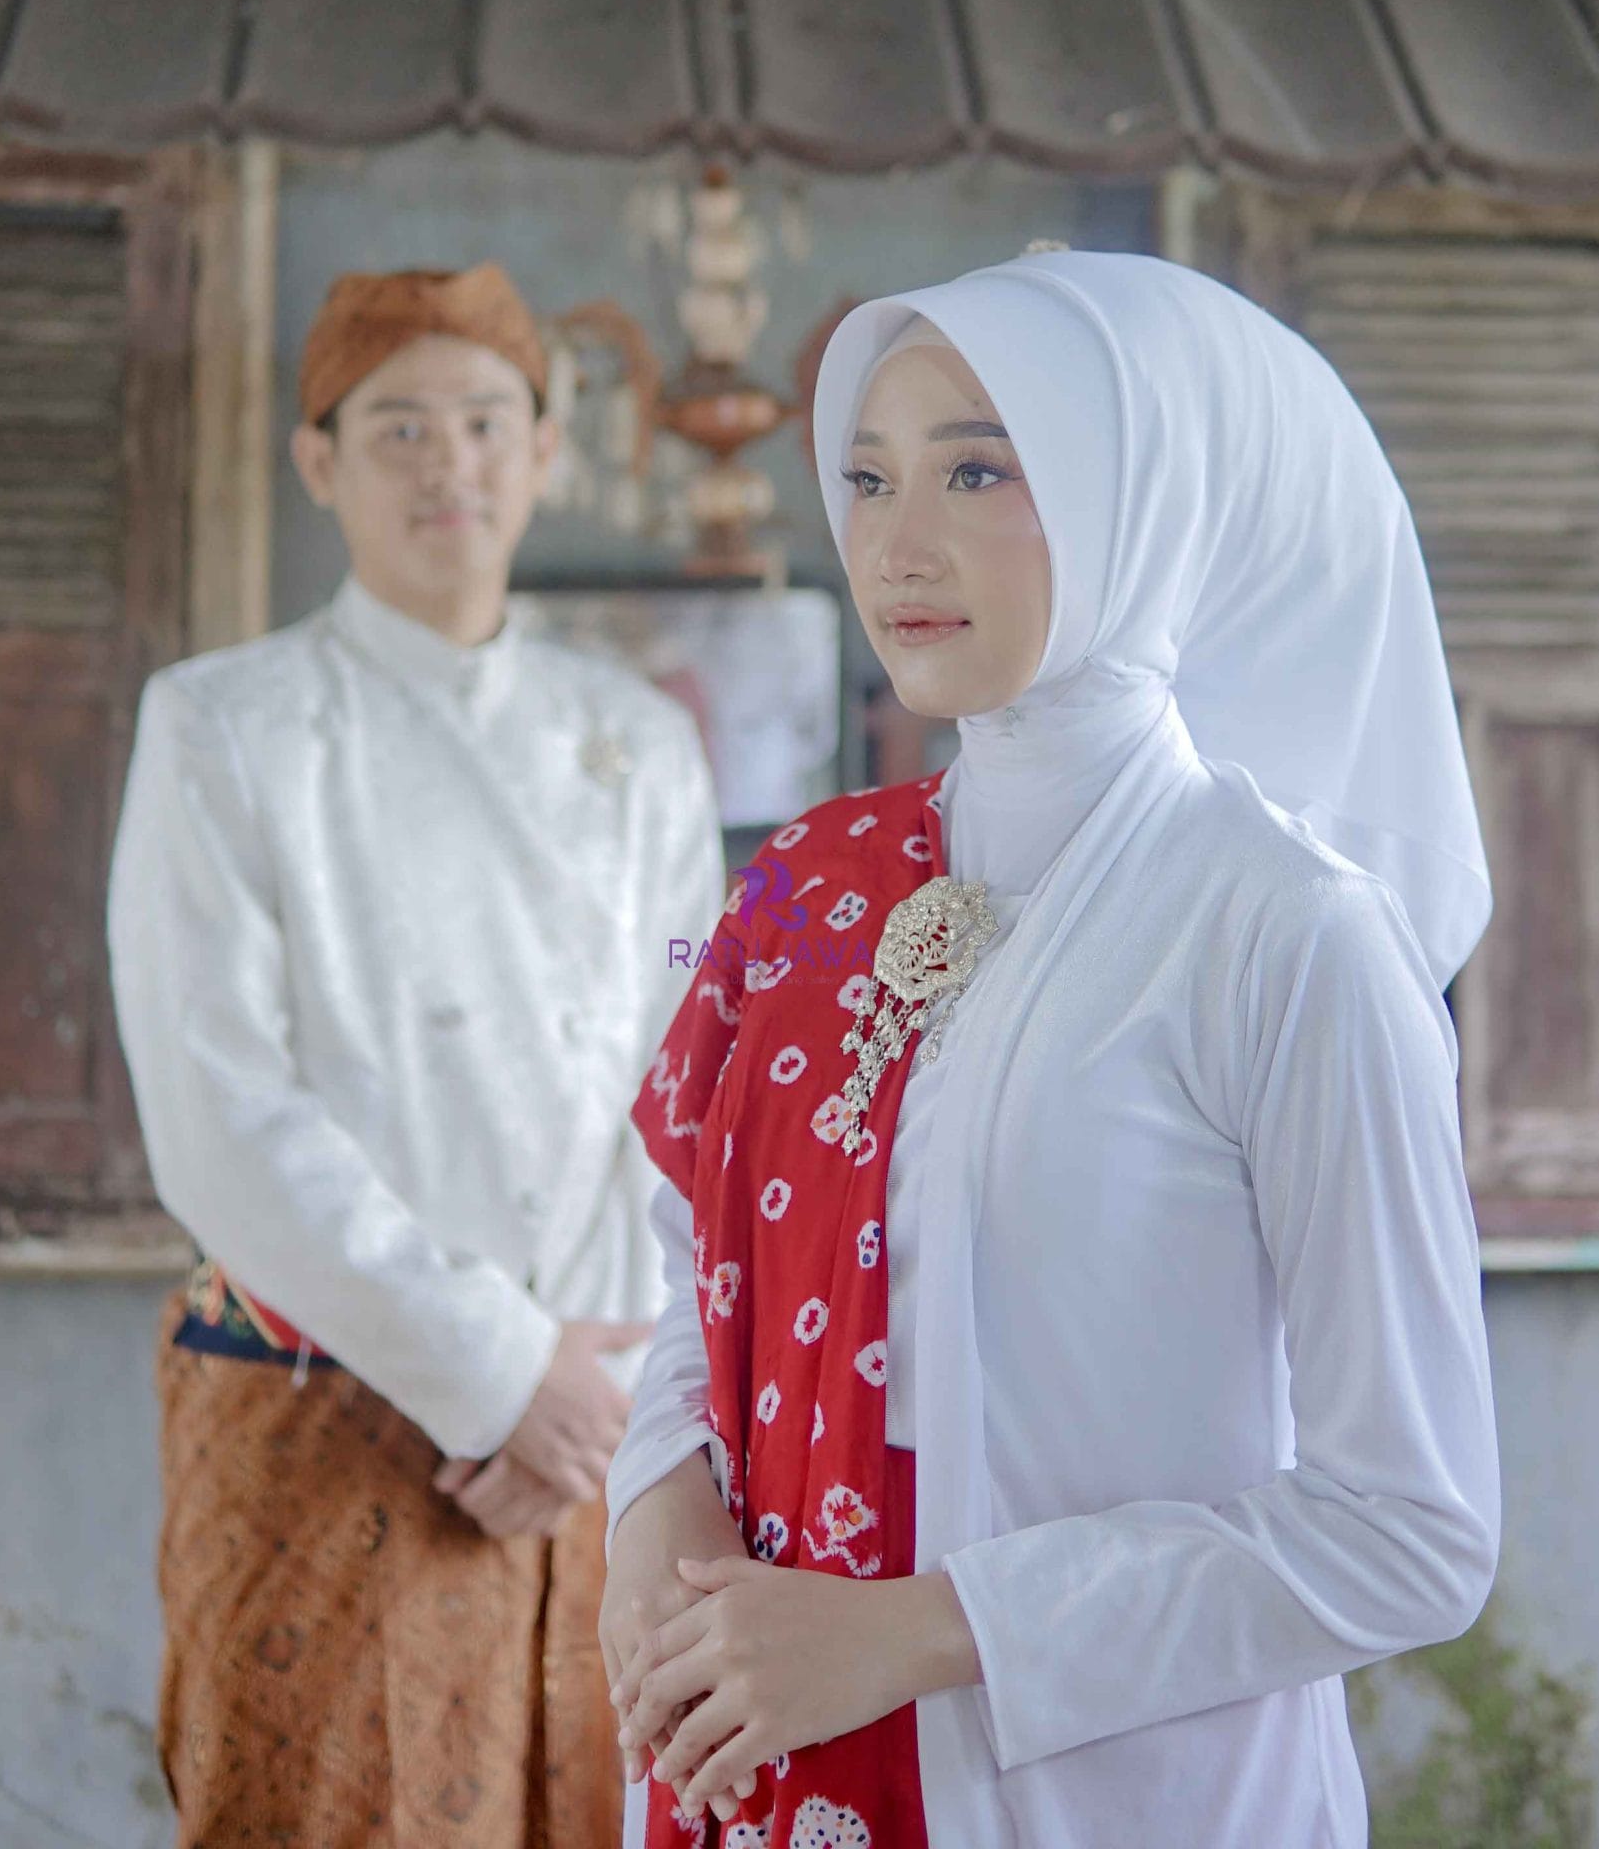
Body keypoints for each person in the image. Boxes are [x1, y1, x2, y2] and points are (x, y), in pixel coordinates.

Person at [600, 247, 1500, 1849]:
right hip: (769, 1771)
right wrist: (651, 1512)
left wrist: (919, 1633)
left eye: (979, 470)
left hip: (1119, 1802)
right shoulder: (803, 886)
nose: (899, 544)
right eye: (867, 478)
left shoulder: (1287, 935)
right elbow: (699, 1277)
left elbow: (1410, 1529)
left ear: (1134, 499)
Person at [108, 258, 724, 1849]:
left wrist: (584, 1388)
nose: (449, 462)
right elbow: (220, 1112)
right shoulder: (223, 727)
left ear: (545, 452)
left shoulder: (641, 742)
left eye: (484, 422)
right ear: (318, 464)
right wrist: (495, 1371)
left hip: (588, 1431)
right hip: (324, 1409)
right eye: (399, 428)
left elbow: (686, 1081)